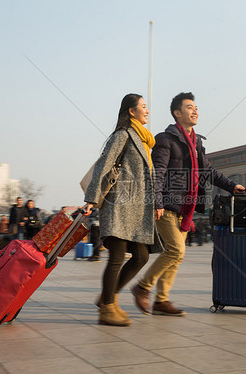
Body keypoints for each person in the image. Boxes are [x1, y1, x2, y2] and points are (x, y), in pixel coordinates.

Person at [131, 92, 245, 316]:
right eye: (190, 107)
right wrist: (156, 202)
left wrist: (231, 186)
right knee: (175, 250)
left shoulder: (196, 142)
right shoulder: (166, 139)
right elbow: (158, 173)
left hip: (186, 208)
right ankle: (142, 287)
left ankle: (161, 301)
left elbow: (208, 170)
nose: (195, 111)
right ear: (177, 112)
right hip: (166, 206)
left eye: (196, 107)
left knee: (177, 255)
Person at [84, 93, 159, 326]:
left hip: (138, 211)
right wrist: (92, 198)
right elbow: (104, 165)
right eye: (143, 107)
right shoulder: (122, 135)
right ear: (131, 111)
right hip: (118, 206)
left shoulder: (144, 141)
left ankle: (108, 298)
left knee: (142, 256)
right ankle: (107, 309)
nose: (147, 111)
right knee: (117, 257)